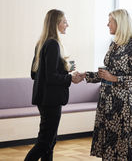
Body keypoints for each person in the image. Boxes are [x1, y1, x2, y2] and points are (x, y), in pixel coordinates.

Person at [80, 9, 132, 161]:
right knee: (108, 142)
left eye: (110, 21)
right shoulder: (113, 45)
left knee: (123, 143)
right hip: (106, 100)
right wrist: (85, 75)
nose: (107, 24)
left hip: (121, 103)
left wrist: (115, 79)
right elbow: (106, 73)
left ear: (119, 23)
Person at [24, 9, 83, 161]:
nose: (67, 25)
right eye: (64, 22)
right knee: (45, 143)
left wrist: (64, 68)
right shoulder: (53, 44)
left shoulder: (41, 43)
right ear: (56, 24)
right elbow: (51, 77)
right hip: (51, 100)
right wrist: (70, 77)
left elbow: (35, 74)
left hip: (43, 99)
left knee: (49, 142)